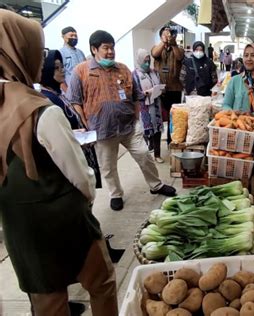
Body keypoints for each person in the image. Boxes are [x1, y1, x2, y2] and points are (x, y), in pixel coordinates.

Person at [0, 10, 118, 315]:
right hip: (63, 222)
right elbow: (79, 175)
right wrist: (88, 197)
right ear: (18, 52)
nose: (41, 59)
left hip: (19, 227)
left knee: (48, 302)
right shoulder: (40, 111)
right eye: (35, 50)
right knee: (101, 283)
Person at [68, 30, 176, 211]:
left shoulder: (123, 69)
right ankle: (116, 194)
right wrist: (85, 124)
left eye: (112, 48)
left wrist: (135, 117)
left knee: (143, 155)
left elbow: (135, 95)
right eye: (106, 48)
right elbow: (75, 101)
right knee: (108, 167)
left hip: (128, 127)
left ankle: (156, 185)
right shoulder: (81, 71)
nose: (110, 52)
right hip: (102, 130)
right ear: (94, 49)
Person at [40, 49, 102, 189]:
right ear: (46, 71)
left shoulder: (57, 92)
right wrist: (75, 136)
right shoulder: (47, 99)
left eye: (62, 67)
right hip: (72, 155)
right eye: (56, 68)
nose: (62, 71)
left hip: (81, 147)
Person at [151, 26, 185, 145]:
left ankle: (172, 140)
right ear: (160, 37)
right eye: (164, 34)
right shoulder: (157, 48)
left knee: (174, 116)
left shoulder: (178, 49)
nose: (167, 37)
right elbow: (155, 54)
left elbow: (180, 57)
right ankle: (155, 146)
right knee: (158, 117)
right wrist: (163, 42)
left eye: (169, 34)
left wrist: (173, 44)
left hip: (175, 89)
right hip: (159, 89)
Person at [132, 48, 165, 163]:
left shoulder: (154, 72)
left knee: (157, 131)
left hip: (156, 105)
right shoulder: (135, 75)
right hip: (144, 107)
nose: (147, 63)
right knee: (146, 131)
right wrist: (144, 93)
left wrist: (159, 89)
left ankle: (157, 154)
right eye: (144, 61)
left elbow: (159, 84)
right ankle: (146, 156)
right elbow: (134, 93)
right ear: (139, 60)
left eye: (148, 60)